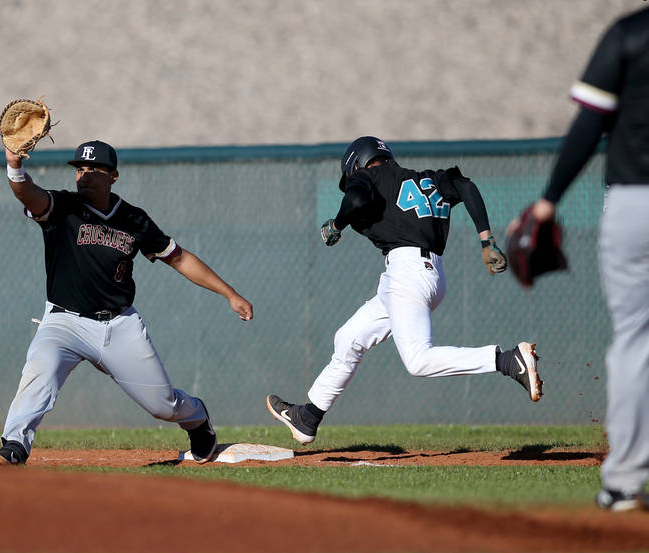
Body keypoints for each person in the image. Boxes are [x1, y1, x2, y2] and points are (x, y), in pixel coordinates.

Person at [0, 140, 254, 466]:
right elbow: (27, 193)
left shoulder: (133, 219)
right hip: (64, 322)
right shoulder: (62, 206)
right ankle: (14, 446)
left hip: (119, 325)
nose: (84, 175)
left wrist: (230, 294)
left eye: (94, 169)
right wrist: (14, 165)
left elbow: (179, 258)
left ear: (113, 176)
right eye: (80, 169)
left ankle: (196, 417)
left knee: (162, 405)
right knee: (41, 368)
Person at [266, 136, 542, 444]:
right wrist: (486, 241)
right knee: (349, 338)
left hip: (407, 274)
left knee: (418, 361)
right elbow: (466, 187)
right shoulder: (426, 179)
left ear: (357, 164)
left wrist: (337, 225)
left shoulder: (369, 176)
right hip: (424, 275)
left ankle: (506, 361)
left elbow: (356, 200)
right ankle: (308, 417)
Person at [514, 7, 649, 511]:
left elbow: (590, 123)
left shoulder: (629, 33)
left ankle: (623, 485)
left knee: (635, 344)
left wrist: (549, 199)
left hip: (633, 202)